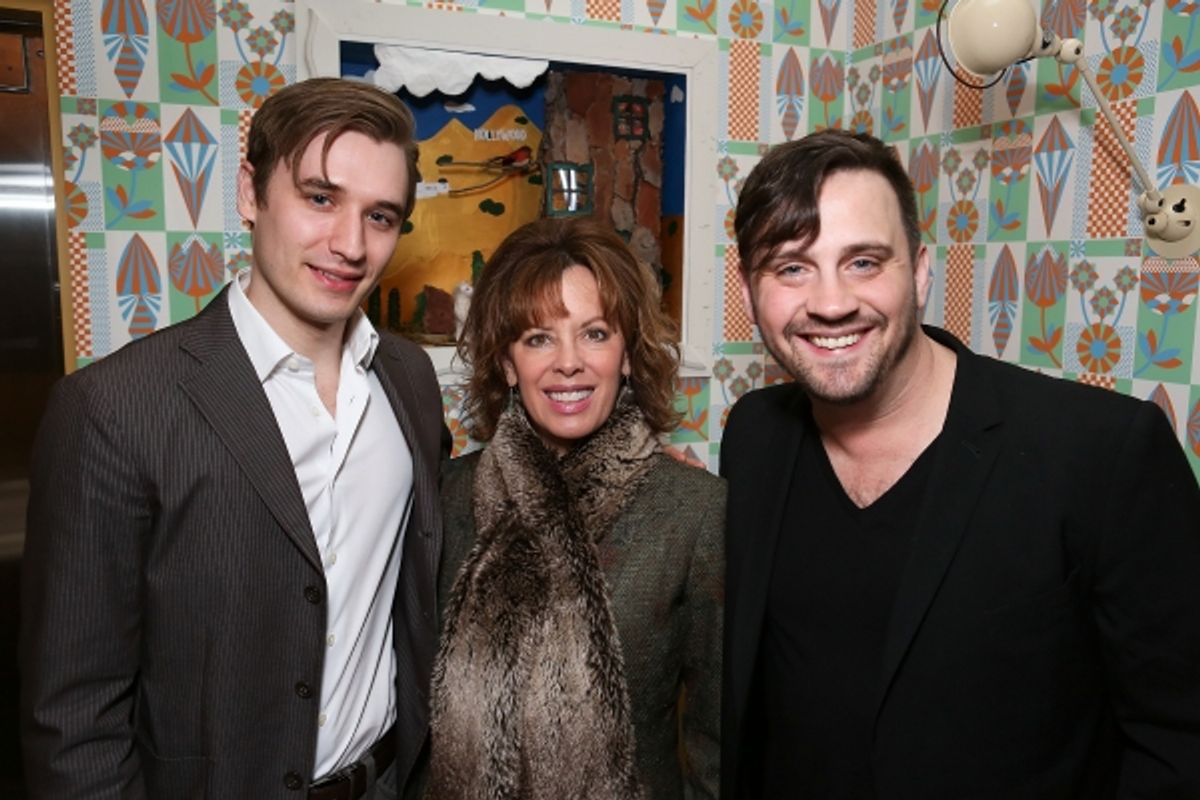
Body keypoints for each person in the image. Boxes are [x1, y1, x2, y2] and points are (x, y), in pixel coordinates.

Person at [721, 129, 1200, 798]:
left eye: (864, 261)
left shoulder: (1099, 453)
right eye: (792, 268)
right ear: (749, 292)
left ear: (919, 271)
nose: (831, 303)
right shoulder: (754, 435)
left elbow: (1179, 739)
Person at [20, 78, 448, 799]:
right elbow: (73, 720)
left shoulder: (408, 380)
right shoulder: (114, 408)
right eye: (321, 198)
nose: (350, 245)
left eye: (380, 216)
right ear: (251, 193)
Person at [429, 217, 723, 799]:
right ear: (507, 363)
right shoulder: (446, 497)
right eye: (538, 338)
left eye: (595, 333)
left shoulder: (694, 510)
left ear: (628, 354)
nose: (568, 362)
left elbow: (715, 745)